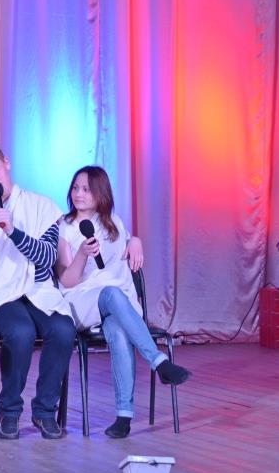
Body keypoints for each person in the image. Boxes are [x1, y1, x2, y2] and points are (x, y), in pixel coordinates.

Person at [55, 165, 190, 439]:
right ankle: (158, 362)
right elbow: (67, 281)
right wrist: (82, 254)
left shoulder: (113, 222)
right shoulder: (64, 227)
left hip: (119, 305)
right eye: (76, 188)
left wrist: (135, 240)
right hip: (82, 302)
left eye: (86, 189)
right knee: (111, 293)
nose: (78, 194)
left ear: (100, 193)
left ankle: (123, 417)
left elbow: (128, 242)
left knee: (118, 332)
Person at [0, 142, 77, 440]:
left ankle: (45, 411)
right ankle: (9, 411)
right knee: (20, 332)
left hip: (38, 289)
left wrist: (12, 231)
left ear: (6, 163)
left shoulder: (41, 206)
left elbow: (47, 257)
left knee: (63, 329)